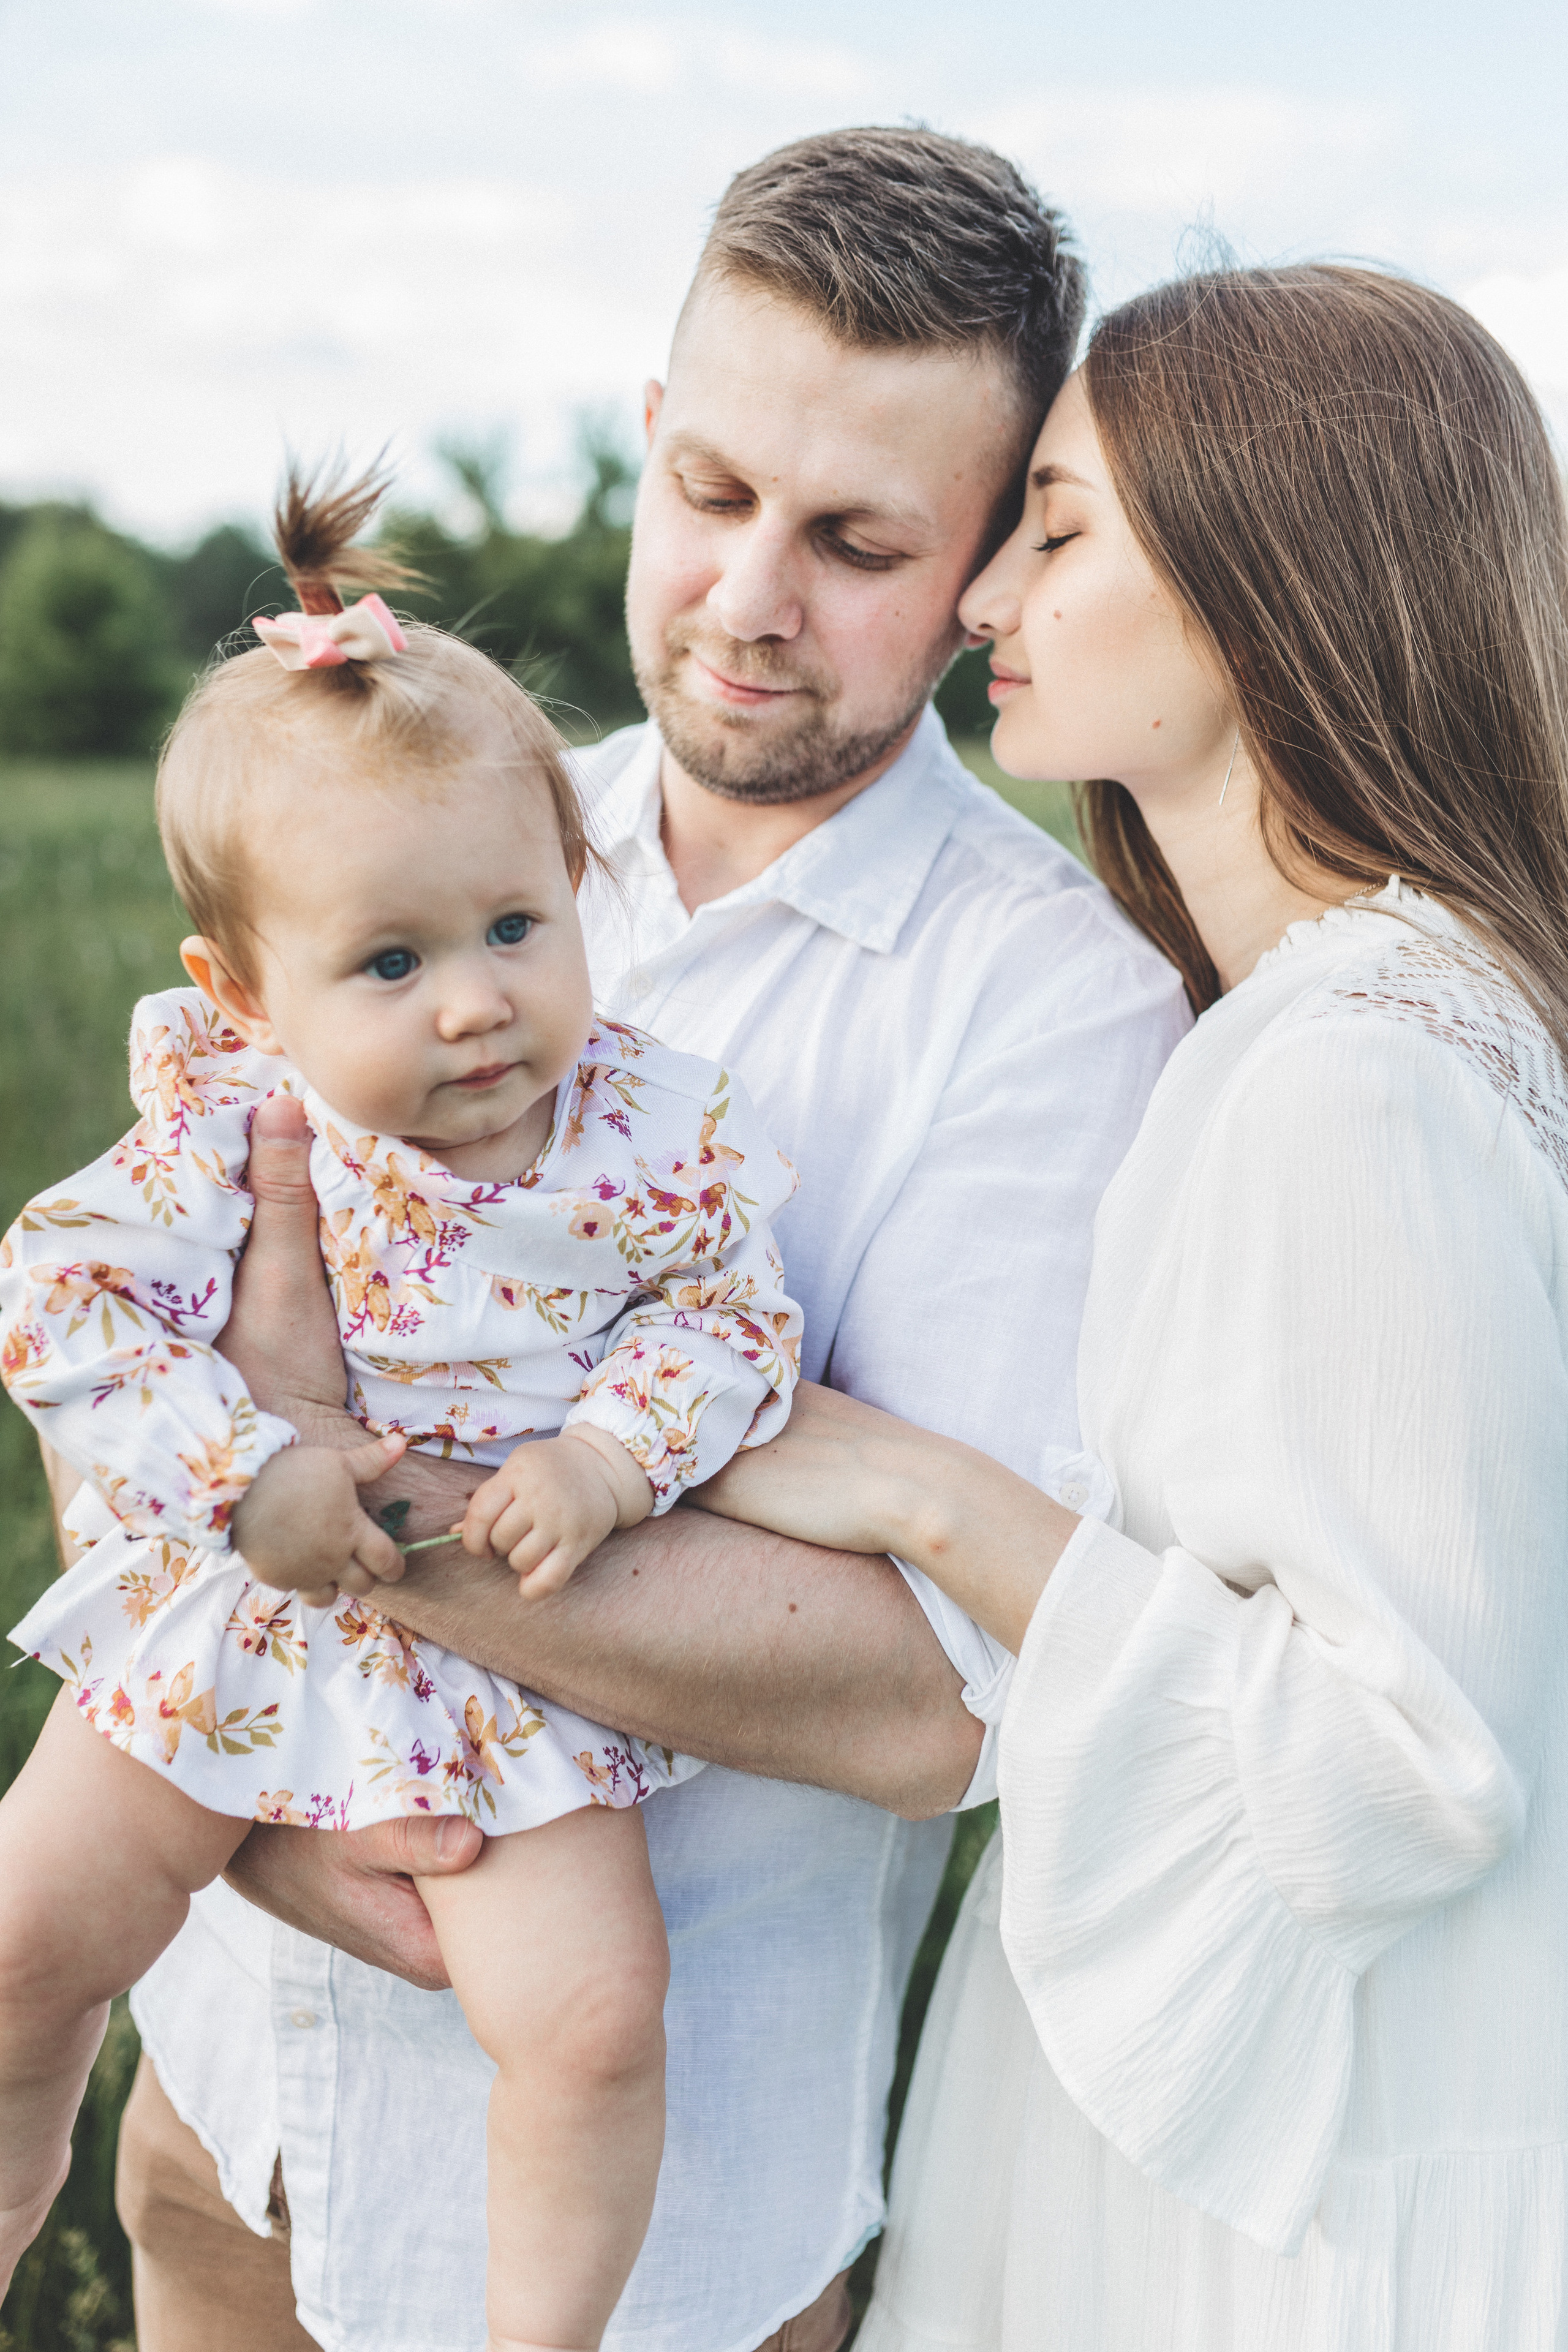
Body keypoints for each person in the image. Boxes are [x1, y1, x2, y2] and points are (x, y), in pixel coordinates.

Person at [67, 130, 1188, 2352]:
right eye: (710, 492)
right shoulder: (407, 823)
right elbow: (125, 1326)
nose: (748, 598)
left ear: (983, 568)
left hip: (662, 2238)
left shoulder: (1057, 1016)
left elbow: (928, 1706)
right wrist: (243, 1812)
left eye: (857, 540)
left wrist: (331, 1487)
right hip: (235, 2081)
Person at [695, 262, 1568, 2351]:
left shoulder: (1362, 1064)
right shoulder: (1330, 1017)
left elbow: (1402, 1758)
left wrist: (925, 1497)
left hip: (1305, 2200)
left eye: (1061, 530)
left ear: (1273, 576)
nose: (988, 596)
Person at [0, 469, 803, 2352]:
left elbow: (734, 1321)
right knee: (27, 1939)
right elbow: (66, 1304)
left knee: (595, 2024)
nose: (475, 1008)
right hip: (245, 1612)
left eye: (516, 928)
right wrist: (245, 1467)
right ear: (245, 993)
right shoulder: (234, 1122)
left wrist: (613, 1456)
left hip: (512, 1651)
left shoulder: (645, 1135)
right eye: (389, 962)